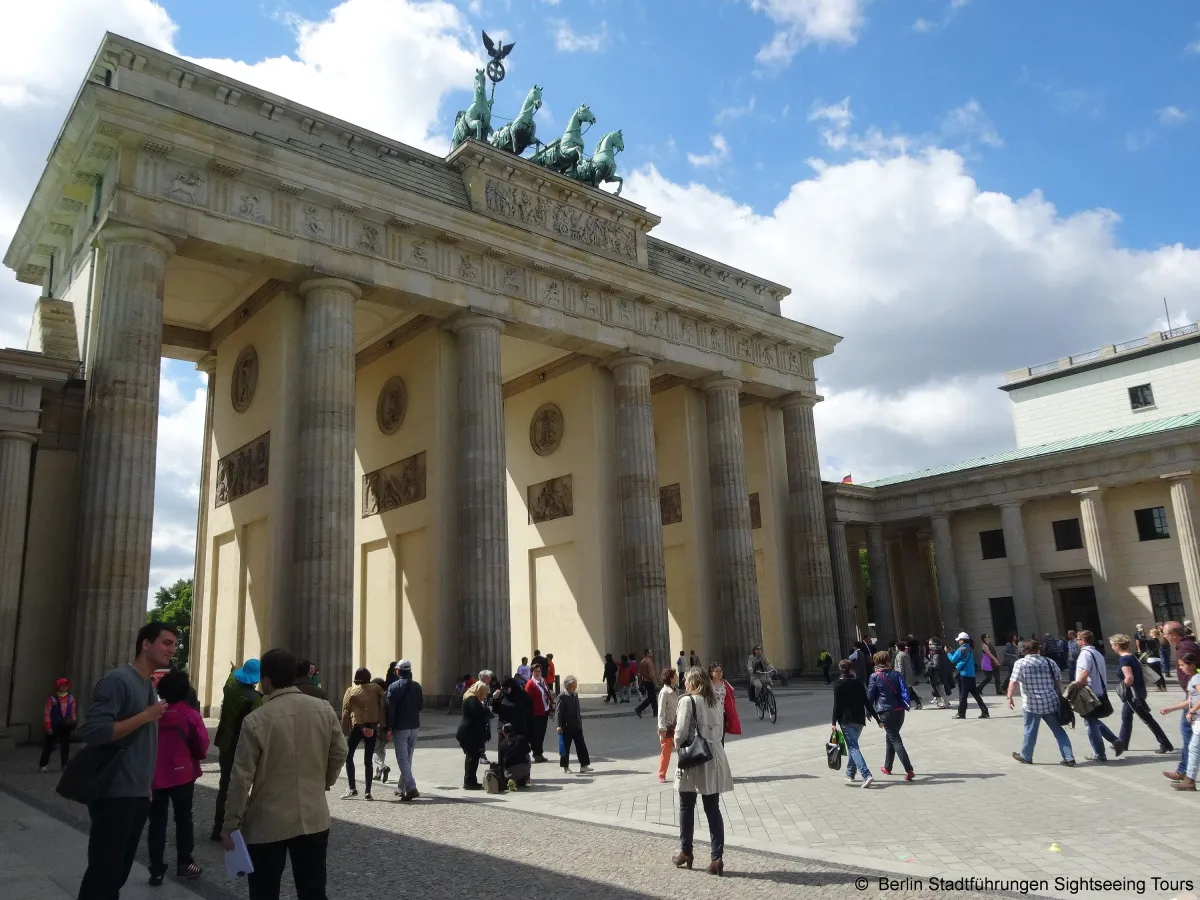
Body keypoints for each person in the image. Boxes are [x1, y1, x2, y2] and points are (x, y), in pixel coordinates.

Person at [220, 647, 347, 900]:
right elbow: (340, 752)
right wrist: (324, 781)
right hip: (313, 815)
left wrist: (230, 823)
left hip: (267, 820)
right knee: (313, 890)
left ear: (266, 679)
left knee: (264, 891)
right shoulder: (324, 709)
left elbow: (241, 777)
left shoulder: (256, 720)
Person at [76, 623, 176, 900]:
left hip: (137, 792)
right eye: (166, 643)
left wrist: (147, 785)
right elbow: (95, 731)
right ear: (146, 644)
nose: (172, 649)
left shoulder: (146, 683)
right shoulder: (118, 680)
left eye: (174, 645)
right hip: (114, 792)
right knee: (104, 872)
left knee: (118, 871)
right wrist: (146, 715)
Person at [148, 669, 208, 885]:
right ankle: (185, 862)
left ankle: (156, 868)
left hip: (156, 776)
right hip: (183, 774)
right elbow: (201, 744)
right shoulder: (190, 715)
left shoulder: (153, 714)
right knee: (183, 818)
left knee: (157, 821)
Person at [671, 667, 733, 876]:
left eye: (686, 681)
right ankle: (717, 858)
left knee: (686, 806)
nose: (684, 684)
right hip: (713, 754)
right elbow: (721, 730)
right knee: (712, 808)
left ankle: (686, 851)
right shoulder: (715, 700)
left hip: (694, 756)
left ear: (692, 682)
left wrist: (677, 746)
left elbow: (679, 732)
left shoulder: (687, 701)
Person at [210, 658, 263, 841]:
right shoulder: (256, 699)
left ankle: (218, 827)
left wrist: (234, 670)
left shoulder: (229, 689)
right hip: (243, 747)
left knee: (225, 786)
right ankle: (240, 827)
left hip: (225, 744)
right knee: (244, 787)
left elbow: (230, 679)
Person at [1007, 639, 1075, 766]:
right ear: (1038, 649)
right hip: (1050, 702)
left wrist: (1009, 697)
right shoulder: (1049, 662)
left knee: (1030, 730)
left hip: (1032, 703)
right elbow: (1058, 680)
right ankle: (1069, 757)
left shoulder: (1021, 663)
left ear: (1025, 650)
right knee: (1058, 730)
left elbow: (1013, 681)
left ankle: (1026, 756)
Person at [1108, 634, 1173, 754]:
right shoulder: (1132, 656)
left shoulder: (1124, 659)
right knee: (1126, 717)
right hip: (1139, 691)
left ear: (1117, 646)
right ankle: (1123, 743)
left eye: (1112, 645)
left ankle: (1165, 743)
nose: (1112, 647)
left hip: (1133, 694)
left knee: (1147, 719)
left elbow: (1129, 678)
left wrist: (1121, 688)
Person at [1072, 630, 1125, 762]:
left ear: (1083, 641)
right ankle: (1115, 741)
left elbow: (1084, 673)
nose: (1076, 642)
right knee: (1093, 720)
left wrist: (1076, 687)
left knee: (1090, 723)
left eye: (1077, 639)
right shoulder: (1097, 653)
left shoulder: (1085, 654)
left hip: (1089, 693)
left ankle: (1100, 753)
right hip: (1099, 691)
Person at [866, 651, 915, 780]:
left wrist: (868, 712)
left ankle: (909, 769)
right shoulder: (896, 674)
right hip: (899, 711)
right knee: (891, 737)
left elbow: (870, 697)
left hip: (885, 712)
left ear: (876, 662)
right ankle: (887, 767)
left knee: (895, 739)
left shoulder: (874, 676)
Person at [1161, 622, 1200, 783]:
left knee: (1189, 737)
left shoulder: (1185, 648)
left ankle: (1184, 772)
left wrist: (1193, 691)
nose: (1164, 636)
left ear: (1174, 634)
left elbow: (1195, 670)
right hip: (1191, 696)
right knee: (1191, 738)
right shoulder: (1184, 645)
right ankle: (1184, 771)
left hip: (1194, 697)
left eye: (1166, 633)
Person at [832, 658, 879, 787]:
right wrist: (877, 719)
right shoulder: (858, 683)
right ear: (852, 669)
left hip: (846, 721)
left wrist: (833, 722)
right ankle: (850, 773)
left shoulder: (837, 684)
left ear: (840, 670)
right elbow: (867, 702)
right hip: (859, 720)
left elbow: (837, 705)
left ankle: (866, 775)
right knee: (854, 747)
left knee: (853, 747)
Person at [339, 667, 384, 800]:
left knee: (349, 755)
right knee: (368, 759)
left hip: (358, 726)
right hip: (373, 726)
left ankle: (352, 788)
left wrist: (344, 731)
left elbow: (345, 711)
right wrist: (383, 725)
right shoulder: (376, 688)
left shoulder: (351, 691)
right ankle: (368, 792)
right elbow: (384, 704)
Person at [385, 659, 424, 801]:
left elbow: (391, 710)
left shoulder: (393, 687)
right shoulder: (417, 686)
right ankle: (401, 788)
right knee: (408, 758)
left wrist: (389, 727)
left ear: (398, 671)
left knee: (402, 758)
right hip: (414, 725)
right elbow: (420, 706)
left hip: (400, 727)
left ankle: (412, 787)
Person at [457, 680, 491, 790]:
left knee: (472, 756)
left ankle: (471, 780)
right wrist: (487, 712)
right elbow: (478, 715)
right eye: (485, 693)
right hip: (468, 732)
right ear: (480, 690)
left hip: (469, 731)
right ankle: (469, 782)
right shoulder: (472, 699)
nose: (485, 695)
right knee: (472, 757)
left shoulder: (472, 698)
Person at [947, 632, 989, 719]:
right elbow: (962, 657)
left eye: (959, 640)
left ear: (962, 640)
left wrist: (948, 653)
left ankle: (961, 713)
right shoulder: (969, 648)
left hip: (963, 675)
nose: (958, 641)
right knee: (975, 694)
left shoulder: (961, 649)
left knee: (962, 695)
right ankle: (985, 711)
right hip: (971, 675)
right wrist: (953, 651)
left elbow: (953, 660)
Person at [555, 675, 592, 773]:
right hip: (566, 726)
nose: (574, 688)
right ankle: (565, 767)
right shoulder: (562, 696)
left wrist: (580, 721)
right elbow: (558, 712)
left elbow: (577, 709)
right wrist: (558, 725)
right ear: (567, 686)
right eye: (573, 686)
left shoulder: (575, 695)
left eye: (575, 686)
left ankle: (584, 765)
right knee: (565, 748)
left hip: (577, 725)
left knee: (581, 746)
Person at [40, 677, 77, 772]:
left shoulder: (71, 699)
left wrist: (73, 722)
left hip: (65, 725)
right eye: (62, 685)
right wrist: (48, 726)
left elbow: (73, 712)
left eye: (65, 685)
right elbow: (47, 713)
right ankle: (43, 765)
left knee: (65, 746)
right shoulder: (52, 699)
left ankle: (64, 764)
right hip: (54, 724)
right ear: (58, 686)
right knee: (49, 745)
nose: (64, 687)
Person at [524, 663, 554, 762]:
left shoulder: (543, 680)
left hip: (544, 711)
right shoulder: (530, 684)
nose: (537, 673)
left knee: (542, 734)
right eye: (535, 671)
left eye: (539, 671)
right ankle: (537, 753)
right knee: (536, 735)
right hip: (535, 714)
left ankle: (539, 752)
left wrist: (551, 705)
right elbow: (526, 700)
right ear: (532, 672)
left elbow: (547, 692)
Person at [657, 668, 680, 784]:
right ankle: (662, 774)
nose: (677, 677)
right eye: (675, 675)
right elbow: (660, 711)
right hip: (667, 726)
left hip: (676, 725)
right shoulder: (664, 692)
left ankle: (682, 772)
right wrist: (662, 728)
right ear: (671, 678)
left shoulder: (676, 690)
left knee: (682, 750)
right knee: (666, 753)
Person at [708, 662, 741, 744]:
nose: (719, 673)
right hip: (710, 714)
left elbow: (730, 697)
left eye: (721, 671)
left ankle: (720, 755)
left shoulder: (725, 684)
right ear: (711, 673)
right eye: (716, 671)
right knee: (711, 737)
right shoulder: (707, 685)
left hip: (722, 714)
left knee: (721, 737)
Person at [493, 676, 532, 741]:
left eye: (506, 689)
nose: (504, 690)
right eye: (503, 688)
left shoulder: (522, 695)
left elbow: (529, 709)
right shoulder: (501, 695)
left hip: (518, 728)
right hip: (503, 728)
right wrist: (495, 700)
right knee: (503, 748)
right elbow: (496, 710)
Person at [497, 722, 532, 788]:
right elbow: (528, 750)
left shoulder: (502, 744)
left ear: (504, 733)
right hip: (524, 770)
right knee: (527, 755)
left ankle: (511, 781)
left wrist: (502, 779)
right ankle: (527, 779)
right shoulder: (522, 738)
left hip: (509, 773)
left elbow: (500, 763)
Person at [896, 641, 923, 710]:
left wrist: (900, 677)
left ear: (898, 647)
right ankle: (917, 703)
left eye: (896, 646)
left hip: (904, 676)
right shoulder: (905, 654)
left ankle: (915, 703)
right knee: (909, 690)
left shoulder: (899, 655)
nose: (895, 648)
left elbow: (900, 667)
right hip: (908, 675)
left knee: (907, 690)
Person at [636, 649, 659, 717]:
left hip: (645, 681)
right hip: (649, 681)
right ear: (647, 653)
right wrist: (656, 683)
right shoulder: (649, 661)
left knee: (653, 697)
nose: (652, 653)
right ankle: (639, 709)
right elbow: (651, 674)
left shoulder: (642, 661)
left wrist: (641, 681)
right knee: (651, 697)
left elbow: (640, 673)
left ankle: (655, 712)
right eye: (651, 652)